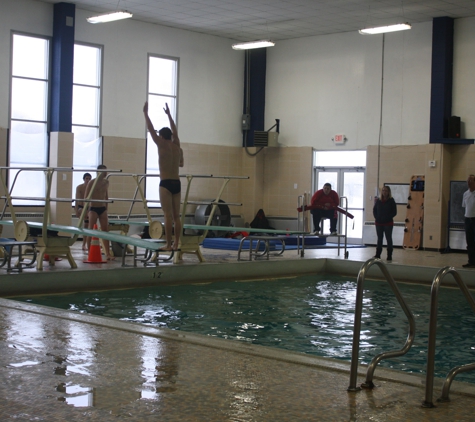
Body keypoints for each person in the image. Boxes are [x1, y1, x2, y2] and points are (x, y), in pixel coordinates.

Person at [143, 101, 184, 250]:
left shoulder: (161, 144)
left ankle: (167, 244)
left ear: (161, 136)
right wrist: (169, 115)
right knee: (176, 216)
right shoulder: (177, 146)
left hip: (166, 183)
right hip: (177, 183)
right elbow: (175, 131)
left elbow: (151, 129)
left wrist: (146, 113)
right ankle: (176, 243)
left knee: (167, 215)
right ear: (171, 136)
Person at [85, 165, 114, 260]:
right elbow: (86, 197)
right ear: (99, 172)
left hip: (102, 208)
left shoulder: (106, 182)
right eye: (104, 172)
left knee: (105, 230)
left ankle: (107, 253)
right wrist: (86, 211)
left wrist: (107, 208)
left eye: (106, 171)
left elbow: (106, 195)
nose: (106, 173)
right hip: (93, 208)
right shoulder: (92, 183)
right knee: (91, 230)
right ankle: (89, 251)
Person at [373, 185, 397, 261]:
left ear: (389, 192)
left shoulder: (391, 201)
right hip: (379, 223)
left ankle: (389, 255)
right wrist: (377, 217)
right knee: (379, 239)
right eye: (383, 190)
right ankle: (378, 254)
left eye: (386, 190)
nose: (384, 192)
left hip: (388, 223)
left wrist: (387, 218)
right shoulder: (378, 201)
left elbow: (394, 212)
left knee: (388, 239)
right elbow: (374, 210)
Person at [75, 172, 92, 251]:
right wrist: (76, 210)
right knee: (85, 225)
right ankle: (84, 244)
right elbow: (77, 200)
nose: (88, 180)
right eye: (86, 179)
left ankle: (85, 244)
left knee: (87, 226)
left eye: (89, 179)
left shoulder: (92, 188)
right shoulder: (79, 187)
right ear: (84, 179)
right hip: (81, 207)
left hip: (89, 207)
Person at [462, 174, 475, 268]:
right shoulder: (465, 194)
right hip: (468, 219)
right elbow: (465, 207)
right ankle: (471, 261)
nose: (469, 183)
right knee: (469, 242)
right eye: (468, 181)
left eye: (471, 181)